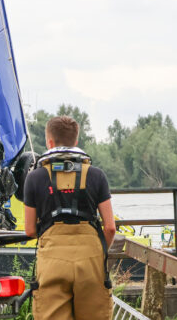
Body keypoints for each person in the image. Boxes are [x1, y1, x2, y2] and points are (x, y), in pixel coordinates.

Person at [24, 116, 116, 319]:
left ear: (49, 142)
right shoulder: (96, 175)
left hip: (52, 262)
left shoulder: (34, 177)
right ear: (76, 141)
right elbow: (110, 228)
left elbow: (30, 230)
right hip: (91, 261)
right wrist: (97, 253)